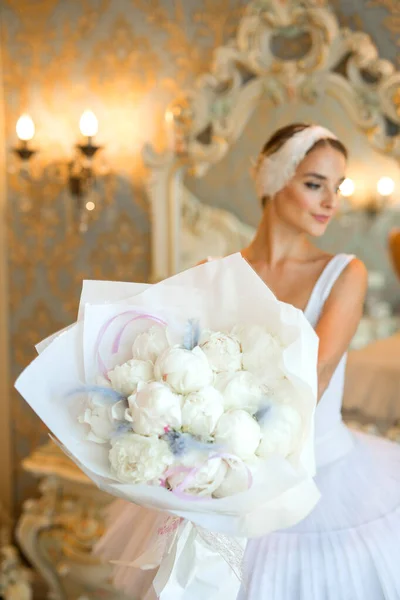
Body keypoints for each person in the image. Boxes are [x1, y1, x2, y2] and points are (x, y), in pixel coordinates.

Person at [95, 123, 400, 599]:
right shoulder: (210, 275)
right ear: (274, 179)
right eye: (314, 184)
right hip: (219, 474)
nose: (330, 202)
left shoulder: (344, 273)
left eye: (336, 188)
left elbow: (309, 381)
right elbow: (173, 371)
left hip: (321, 479)